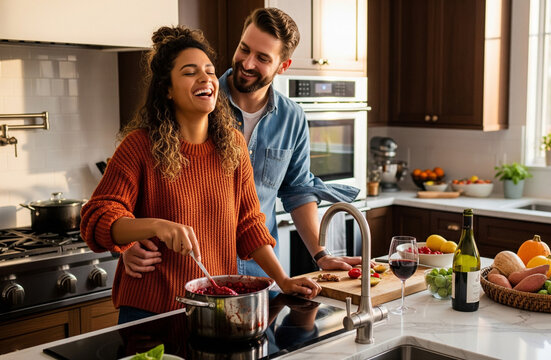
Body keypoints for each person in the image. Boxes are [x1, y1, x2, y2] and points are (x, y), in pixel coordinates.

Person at [80, 25, 320, 323]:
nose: (206, 78)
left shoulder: (233, 145)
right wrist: (155, 227)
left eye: (209, 70)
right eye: (190, 72)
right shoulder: (139, 146)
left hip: (212, 310)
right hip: (150, 314)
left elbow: (249, 224)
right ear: (167, 88)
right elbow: (97, 217)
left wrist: (283, 280)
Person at [122, 8, 363, 279]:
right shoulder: (197, 100)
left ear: (283, 66)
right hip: (197, 270)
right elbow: (132, 194)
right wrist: (127, 245)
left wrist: (321, 255)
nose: (247, 63)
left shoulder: (291, 117)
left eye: (262, 58)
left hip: (261, 269)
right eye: (244, 49)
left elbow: (298, 191)